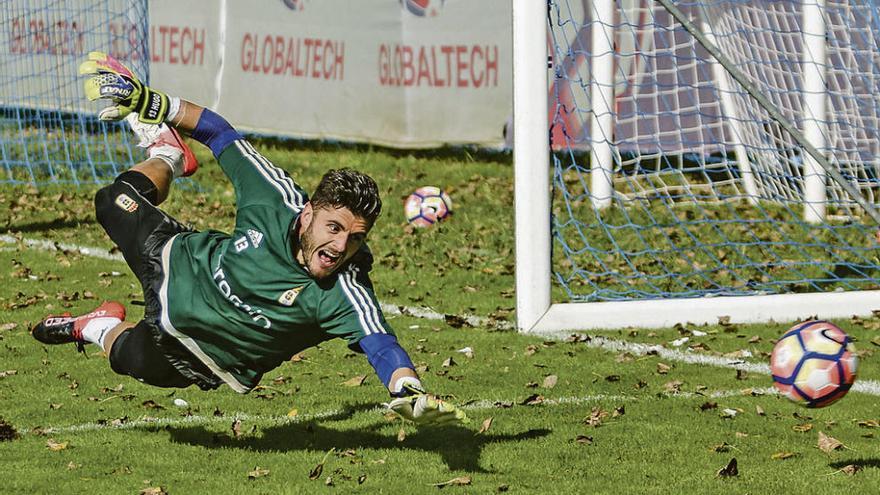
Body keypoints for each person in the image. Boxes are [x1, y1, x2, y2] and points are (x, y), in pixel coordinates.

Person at [31, 51, 466, 426]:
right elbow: (219, 132)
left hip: (199, 353)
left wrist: (407, 391)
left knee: (128, 358)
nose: (340, 247)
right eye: (334, 229)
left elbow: (381, 344)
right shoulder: (274, 196)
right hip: (178, 261)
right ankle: (167, 154)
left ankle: (92, 326)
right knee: (113, 201)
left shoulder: (343, 292)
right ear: (308, 213)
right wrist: (153, 102)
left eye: (355, 239)